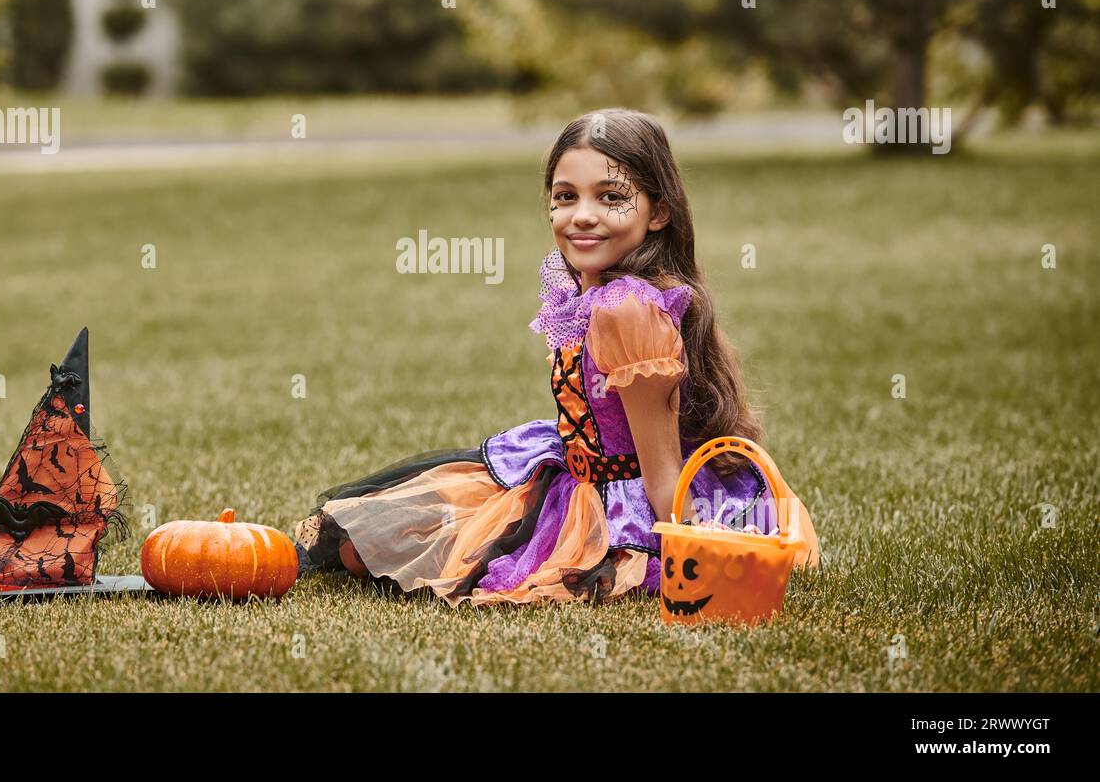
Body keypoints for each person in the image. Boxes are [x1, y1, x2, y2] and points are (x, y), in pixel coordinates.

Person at [292, 108, 819, 607]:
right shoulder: (588, 294)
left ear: (659, 211)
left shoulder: (627, 311)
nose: (582, 217)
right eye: (565, 196)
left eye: (610, 197)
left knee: (395, 557)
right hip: (569, 470)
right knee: (365, 545)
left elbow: (661, 473)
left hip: (622, 503)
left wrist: (694, 560)